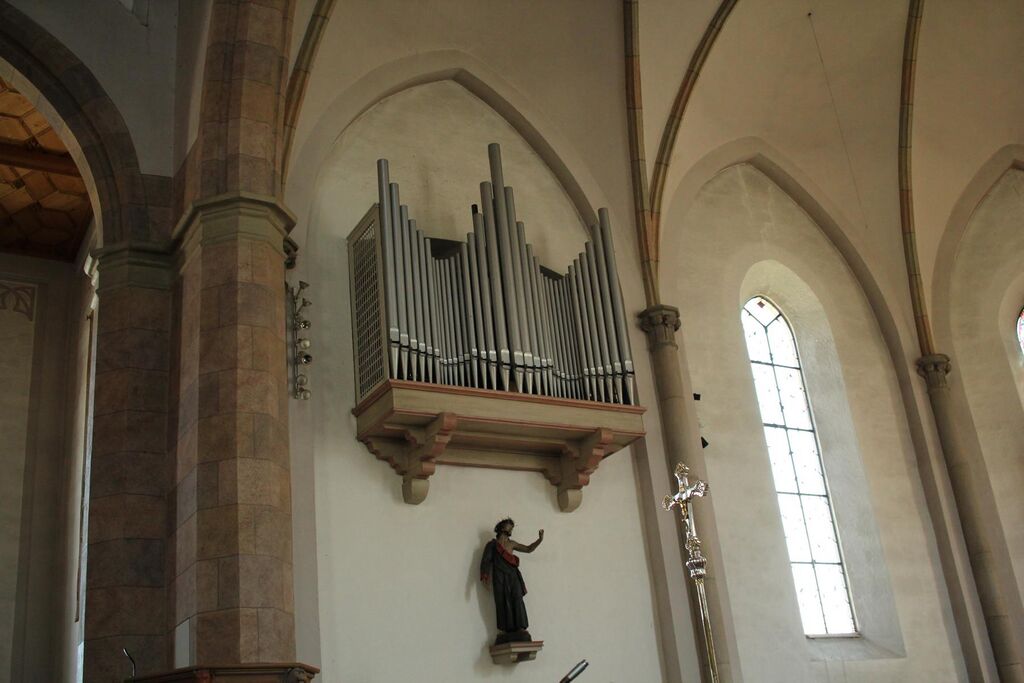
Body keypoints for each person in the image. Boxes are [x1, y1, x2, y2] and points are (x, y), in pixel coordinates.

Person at [480, 518, 544, 643]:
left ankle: (520, 627)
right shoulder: (492, 545)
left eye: (512, 527)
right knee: (501, 601)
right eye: (509, 526)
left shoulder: (512, 544)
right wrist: (485, 577)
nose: (511, 529)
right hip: (499, 576)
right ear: (502, 528)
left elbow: (528, 549)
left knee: (517, 598)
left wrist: (539, 540)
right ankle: (504, 629)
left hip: (512, 575)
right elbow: (486, 561)